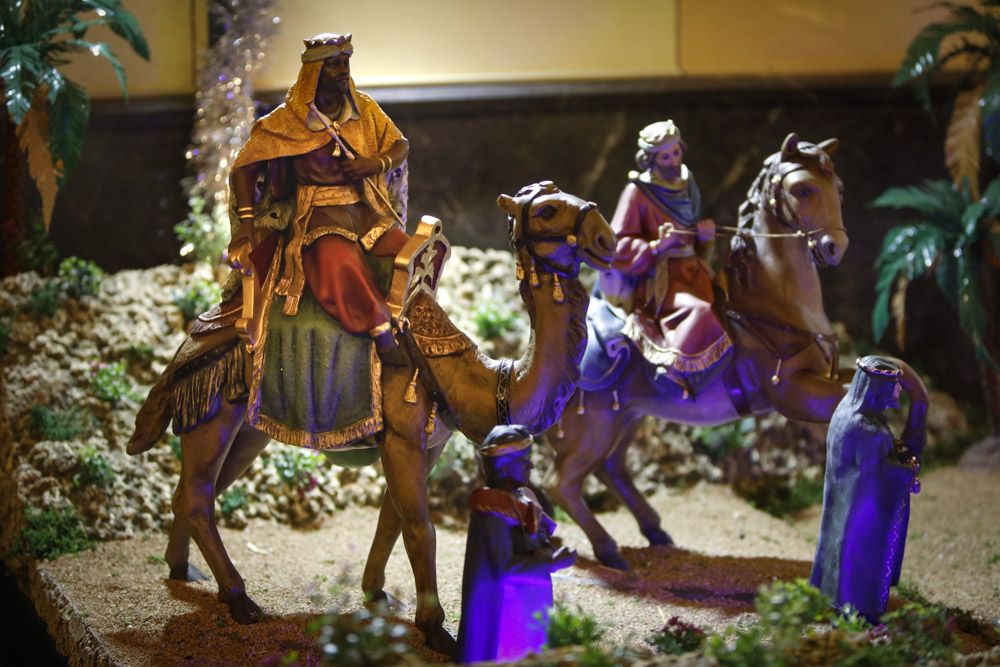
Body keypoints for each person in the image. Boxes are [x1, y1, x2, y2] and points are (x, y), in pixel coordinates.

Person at [227, 32, 409, 359]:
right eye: (334, 65)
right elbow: (245, 165)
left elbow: (400, 144)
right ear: (314, 73)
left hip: (362, 209)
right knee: (340, 261)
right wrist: (246, 223)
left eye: (345, 63)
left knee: (406, 249)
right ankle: (379, 328)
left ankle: (415, 320)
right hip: (316, 215)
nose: (343, 71)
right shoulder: (289, 119)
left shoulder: (363, 109)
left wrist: (374, 163)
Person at [600, 120, 730, 393]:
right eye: (665, 156)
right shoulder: (637, 191)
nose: (673, 160)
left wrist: (704, 240)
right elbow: (617, 244)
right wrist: (658, 245)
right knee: (699, 311)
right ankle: (672, 369)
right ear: (651, 159)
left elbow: (693, 239)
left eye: (676, 152)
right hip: (660, 278)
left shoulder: (687, 181)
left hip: (695, 271)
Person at [809, 356, 923, 624]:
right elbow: (876, 473)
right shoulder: (868, 428)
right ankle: (860, 610)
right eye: (894, 386)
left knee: (837, 550)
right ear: (878, 387)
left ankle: (832, 599)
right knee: (859, 560)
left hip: (845, 502)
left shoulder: (844, 412)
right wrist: (907, 471)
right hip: (862, 512)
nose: (898, 391)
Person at [456, 425, 576, 663]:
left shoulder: (523, 498)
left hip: (525, 603)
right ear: (504, 466)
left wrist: (547, 549)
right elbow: (503, 568)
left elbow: (534, 539)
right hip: (506, 607)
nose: (530, 465)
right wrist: (551, 563)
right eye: (524, 460)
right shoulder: (491, 506)